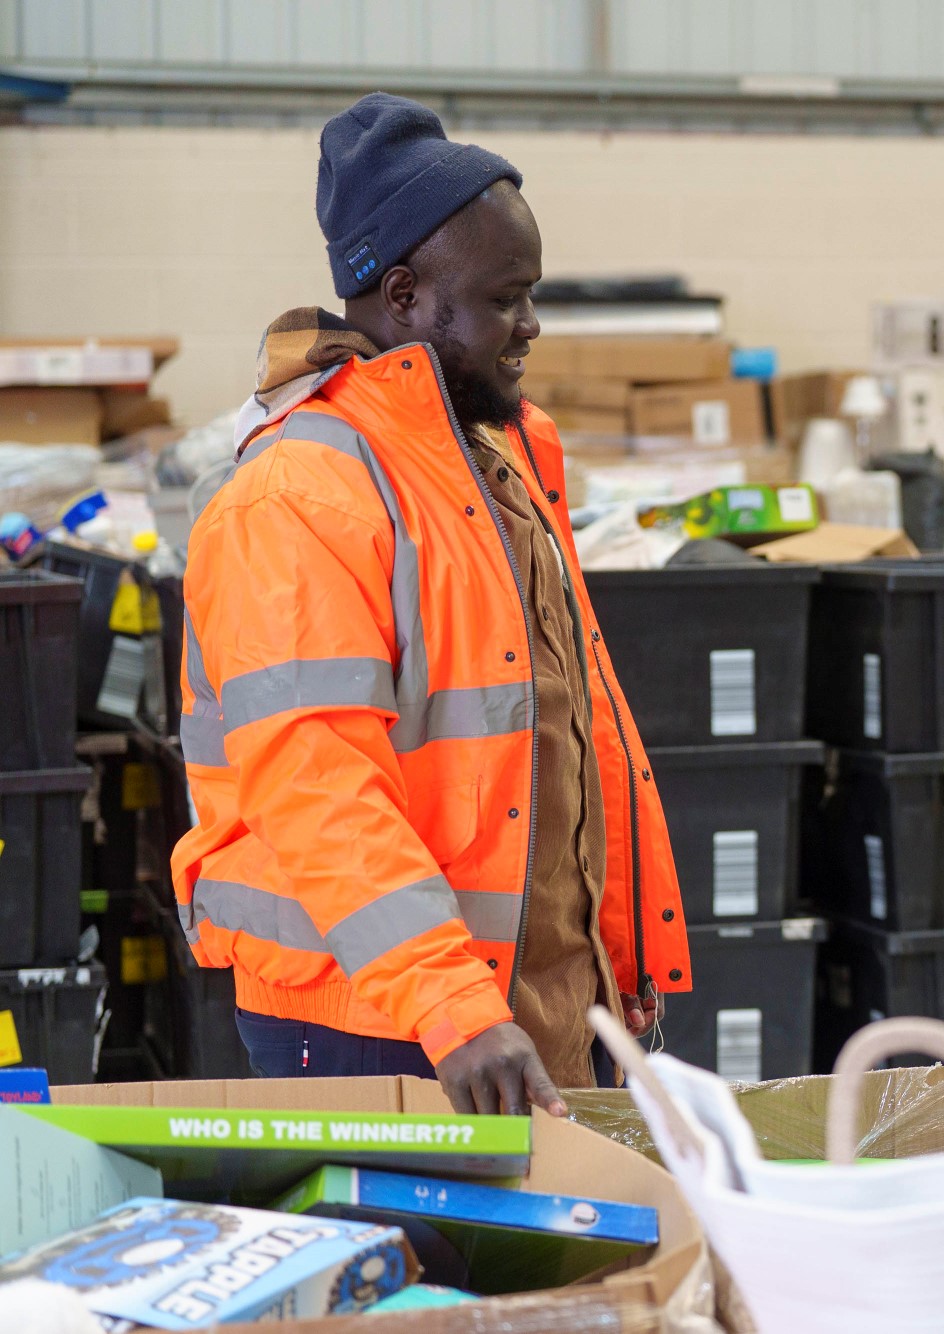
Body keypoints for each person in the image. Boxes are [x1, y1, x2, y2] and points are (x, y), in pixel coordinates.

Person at [170, 93, 690, 1116]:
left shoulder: (494, 460)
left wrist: (612, 953)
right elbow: (317, 783)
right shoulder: (299, 495)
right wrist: (450, 1003)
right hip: (376, 1014)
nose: (530, 326)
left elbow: (563, 731)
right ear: (403, 294)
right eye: (505, 298)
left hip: (524, 1000)